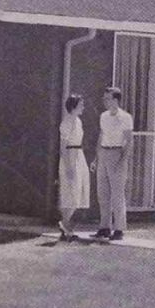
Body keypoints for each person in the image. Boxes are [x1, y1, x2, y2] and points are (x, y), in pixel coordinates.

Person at [93, 86, 133, 240]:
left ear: (116, 100)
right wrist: (97, 158)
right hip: (104, 152)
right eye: (104, 99)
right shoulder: (103, 116)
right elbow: (101, 136)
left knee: (117, 193)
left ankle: (119, 228)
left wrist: (123, 161)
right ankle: (104, 226)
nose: (105, 101)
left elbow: (129, 141)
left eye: (108, 98)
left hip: (117, 153)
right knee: (102, 192)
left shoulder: (125, 117)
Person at [57, 94, 90, 240]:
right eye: (81, 105)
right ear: (74, 106)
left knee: (78, 191)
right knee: (71, 192)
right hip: (69, 157)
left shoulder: (78, 121)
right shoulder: (67, 122)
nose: (83, 107)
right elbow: (63, 147)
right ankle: (64, 223)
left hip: (78, 156)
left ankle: (66, 227)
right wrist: (68, 166)